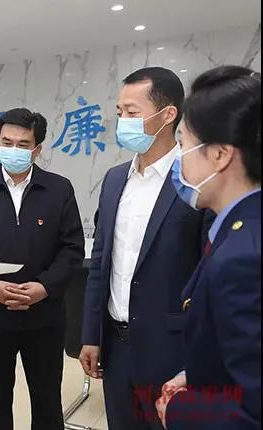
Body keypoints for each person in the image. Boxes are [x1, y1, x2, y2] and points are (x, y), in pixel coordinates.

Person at [79, 67, 212, 430]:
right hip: (116, 347)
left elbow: (209, 273)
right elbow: (101, 262)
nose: (122, 121)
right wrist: (91, 334)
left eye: (132, 112)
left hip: (174, 351)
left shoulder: (197, 180)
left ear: (168, 115)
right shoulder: (114, 180)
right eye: (119, 111)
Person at [0, 108, 84, 429]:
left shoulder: (59, 189)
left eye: (23, 144)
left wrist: (44, 287)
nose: (13, 149)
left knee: (47, 400)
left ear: (37, 149)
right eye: (7, 142)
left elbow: (71, 249)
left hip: (44, 316)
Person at [155, 66, 261, 429]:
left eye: (184, 144)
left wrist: (181, 410)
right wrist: (198, 375)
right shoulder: (238, 229)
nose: (179, 158)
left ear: (220, 154)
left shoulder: (244, 258)